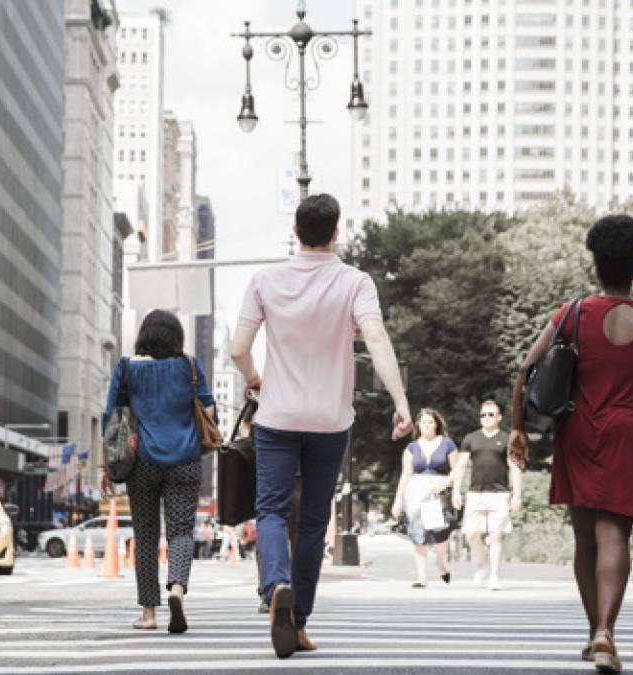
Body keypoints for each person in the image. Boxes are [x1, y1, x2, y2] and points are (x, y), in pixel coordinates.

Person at [231, 193, 412, 659]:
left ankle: (275, 588)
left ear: (295, 231)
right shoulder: (355, 282)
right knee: (313, 521)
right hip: (331, 421)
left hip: (276, 417)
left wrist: (255, 380)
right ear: (336, 233)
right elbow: (376, 337)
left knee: (270, 511)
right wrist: (401, 402)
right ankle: (299, 619)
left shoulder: (265, 280)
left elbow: (237, 348)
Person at [509, 215, 633, 674]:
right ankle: (605, 632)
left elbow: (526, 369)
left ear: (596, 266)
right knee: (614, 534)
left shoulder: (571, 314)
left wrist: (518, 428)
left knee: (585, 539)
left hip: (580, 432)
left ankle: (595, 633)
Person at [99, 309, 215, 634]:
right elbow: (208, 407)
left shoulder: (126, 368)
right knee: (180, 531)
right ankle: (177, 589)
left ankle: (149, 613)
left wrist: (103, 464)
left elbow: (112, 416)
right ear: (177, 337)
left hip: (143, 462)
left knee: (146, 536)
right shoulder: (190, 366)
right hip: (185, 458)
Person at [452, 399, 523, 590]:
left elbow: (515, 468)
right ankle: (482, 563)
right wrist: (456, 491)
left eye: (491, 414)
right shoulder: (471, 438)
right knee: (472, 534)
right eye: (483, 415)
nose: (487, 418)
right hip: (475, 493)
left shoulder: (507, 438)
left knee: (497, 535)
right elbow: (461, 465)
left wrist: (517, 495)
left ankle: (494, 575)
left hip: (499, 494)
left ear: (499, 417)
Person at [391, 409, 458, 588]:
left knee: (439, 535)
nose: (427, 425)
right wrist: (398, 500)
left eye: (430, 422)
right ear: (419, 426)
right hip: (416, 491)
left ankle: (440, 563)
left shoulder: (447, 443)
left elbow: (456, 470)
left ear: (436, 424)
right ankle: (421, 577)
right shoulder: (411, 447)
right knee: (418, 533)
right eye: (423, 422)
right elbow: (405, 474)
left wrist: (448, 485)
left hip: (438, 491)